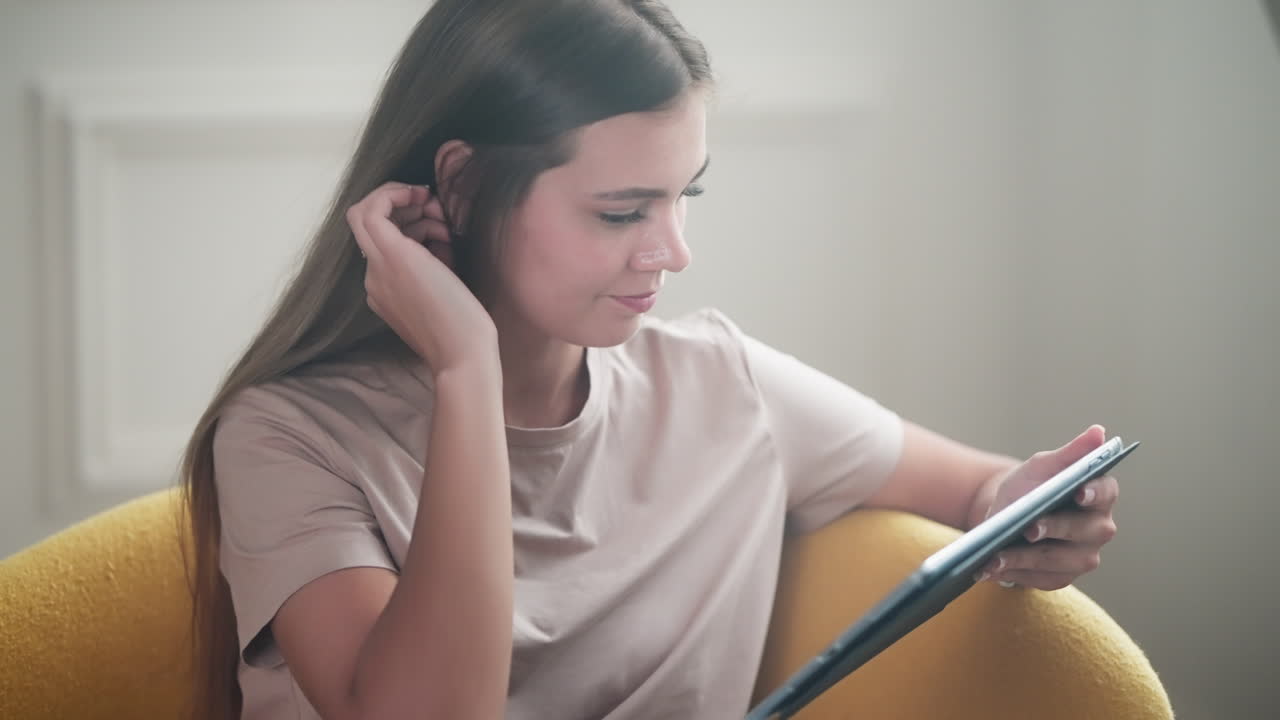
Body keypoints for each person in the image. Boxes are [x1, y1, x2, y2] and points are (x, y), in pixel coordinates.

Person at [179, 1, 1121, 718]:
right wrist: (465, 367)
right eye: (624, 212)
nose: (672, 252)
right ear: (460, 186)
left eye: (684, 199)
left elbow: (979, 491)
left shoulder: (724, 388)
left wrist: (1029, 512)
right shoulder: (287, 437)